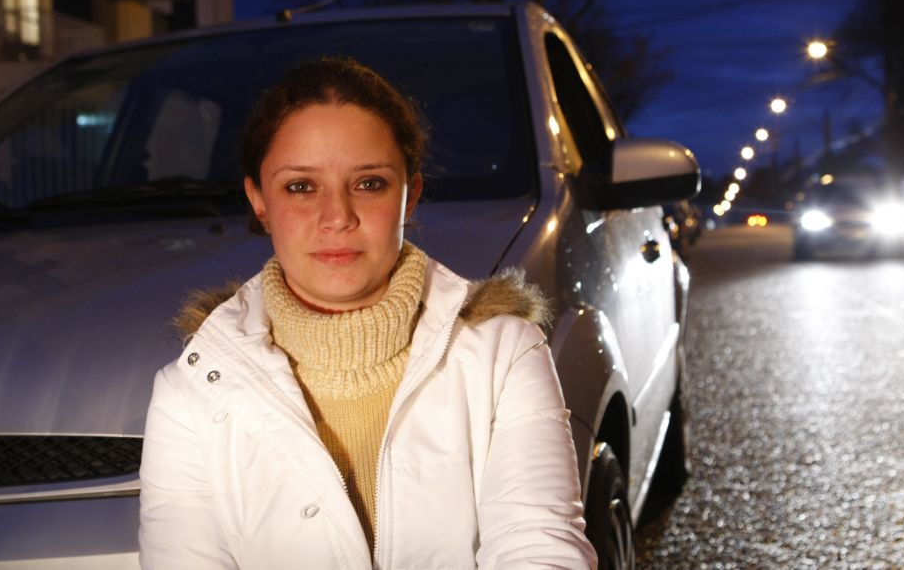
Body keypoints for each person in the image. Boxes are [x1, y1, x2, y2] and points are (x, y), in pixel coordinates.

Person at [138, 57, 597, 569]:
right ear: (259, 201)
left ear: (410, 196)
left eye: (369, 183)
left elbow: (538, 546)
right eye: (300, 187)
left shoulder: (504, 353)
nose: (337, 217)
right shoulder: (191, 392)